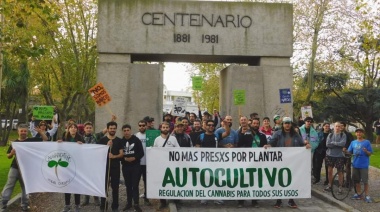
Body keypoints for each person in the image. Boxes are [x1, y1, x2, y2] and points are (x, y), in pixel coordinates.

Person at [263, 117, 310, 209]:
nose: (287, 125)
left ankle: (291, 200)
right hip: (280, 161)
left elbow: (301, 143)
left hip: (292, 162)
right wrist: (268, 145)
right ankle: (278, 200)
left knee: (291, 180)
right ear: (283, 124)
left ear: (291, 124)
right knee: (279, 180)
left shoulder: (295, 134)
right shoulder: (278, 133)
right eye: (285, 123)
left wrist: (306, 144)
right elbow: (272, 142)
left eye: (289, 123)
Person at [1, 124, 48, 211]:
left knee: (25, 187)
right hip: (15, 167)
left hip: (27, 168)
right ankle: (3, 203)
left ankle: (25, 205)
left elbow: (45, 140)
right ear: (18, 131)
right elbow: (8, 156)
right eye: (21, 131)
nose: (23, 132)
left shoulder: (31, 141)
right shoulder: (14, 143)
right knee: (9, 184)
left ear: (27, 132)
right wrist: (11, 153)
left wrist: (41, 132)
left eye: (25, 131)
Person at [237, 117, 267, 208]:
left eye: (257, 123)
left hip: (258, 162)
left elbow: (265, 146)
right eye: (254, 123)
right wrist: (242, 134)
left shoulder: (262, 135)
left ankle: (254, 201)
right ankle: (241, 201)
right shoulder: (246, 134)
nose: (256, 125)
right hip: (246, 162)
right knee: (244, 180)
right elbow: (239, 145)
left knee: (255, 181)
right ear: (251, 124)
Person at [194, 120, 223, 205]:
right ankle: (204, 197)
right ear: (205, 126)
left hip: (216, 162)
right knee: (204, 179)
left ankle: (217, 198)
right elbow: (197, 147)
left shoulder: (217, 136)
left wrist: (225, 124)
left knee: (216, 179)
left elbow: (227, 133)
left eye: (212, 125)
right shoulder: (201, 136)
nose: (211, 126)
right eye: (209, 125)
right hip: (204, 162)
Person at [97, 121, 123, 212]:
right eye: (111, 128)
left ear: (116, 129)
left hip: (115, 167)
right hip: (105, 167)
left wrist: (114, 156)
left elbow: (121, 154)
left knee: (115, 187)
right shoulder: (102, 140)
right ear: (107, 129)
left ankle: (115, 206)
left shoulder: (119, 140)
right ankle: (103, 205)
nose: (112, 130)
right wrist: (106, 147)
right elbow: (98, 154)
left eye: (114, 128)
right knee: (104, 188)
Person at [81, 121, 107, 207]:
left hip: (94, 163)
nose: (88, 129)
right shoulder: (80, 138)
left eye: (90, 128)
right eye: (87, 128)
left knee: (94, 180)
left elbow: (105, 131)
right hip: (84, 163)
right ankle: (86, 199)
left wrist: (112, 120)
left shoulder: (96, 136)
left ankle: (96, 198)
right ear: (84, 129)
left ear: (92, 129)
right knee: (85, 181)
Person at [153, 122, 179, 209]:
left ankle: (174, 198)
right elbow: (154, 152)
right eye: (163, 127)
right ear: (161, 128)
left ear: (169, 128)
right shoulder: (157, 139)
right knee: (162, 182)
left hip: (171, 164)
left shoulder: (173, 139)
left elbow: (178, 150)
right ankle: (162, 201)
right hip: (161, 165)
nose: (165, 129)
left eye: (167, 127)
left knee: (172, 181)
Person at [59, 123, 84, 212]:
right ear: (68, 129)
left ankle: (77, 205)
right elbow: (60, 150)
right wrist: (59, 144)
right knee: (67, 185)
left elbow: (85, 150)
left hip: (77, 165)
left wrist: (82, 145)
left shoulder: (80, 138)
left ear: (77, 129)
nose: (73, 129)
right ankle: (67, 205)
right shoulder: (64, 138)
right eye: (71, 127)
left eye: (75, 127)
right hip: (67, 165)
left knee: (76, 185)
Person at [120, 124, 144, 212]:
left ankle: (136, 204)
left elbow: (141, 153)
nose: (126, 132)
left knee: (135, 185)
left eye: (128, 130)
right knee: (128, 185)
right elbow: (119, 154)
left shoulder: (136, 140)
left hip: (135, 166)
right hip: (126, 166)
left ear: (130, 130)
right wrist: (124, 158)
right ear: (122, 132)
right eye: (124, 130)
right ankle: (129, 203)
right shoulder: (121, 141)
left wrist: (134, 158)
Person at [347, 128, 373, 202]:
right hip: (355, 164)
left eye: (360, 132)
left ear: (363, 134)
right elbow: (349, 152)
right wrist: (345, 151)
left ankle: (367, 195)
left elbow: (370, 153)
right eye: (357, 132)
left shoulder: (367, 142)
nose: (359, 134)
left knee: (365, 181)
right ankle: (358, 194)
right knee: (356, 181)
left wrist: (366, 151)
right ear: (355, 134)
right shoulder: (353, 142)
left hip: (364, 165)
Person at [324, 122, 346, 193]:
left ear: (341, 127)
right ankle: (330, 185)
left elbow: (342, 144)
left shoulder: (343, 135)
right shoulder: (330, 135)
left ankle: (340, 187)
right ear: (334, 127)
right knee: (329, 171)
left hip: (339, 156)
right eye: (336, 126)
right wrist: (337, 144)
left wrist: (333, 143)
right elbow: (327, 144)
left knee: (340, 172)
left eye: (339, 126)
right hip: (330, 155)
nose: (337, 128)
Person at [134, 120, 151, 206]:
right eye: (140, 125)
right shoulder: (135, 136)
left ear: (146, 126)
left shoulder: (150, 135)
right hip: (138, 163)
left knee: (147, 182)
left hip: (148, 163)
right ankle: (136, 200)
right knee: (136, 182)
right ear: (138, 126)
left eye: (143, 125)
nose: (141, 127)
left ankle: (146, 198)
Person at [341, 122, 354, 187]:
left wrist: (346, 148)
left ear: (345, 126)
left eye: (342, 126)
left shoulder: (348, 134)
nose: (340, 127)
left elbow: (352, 143)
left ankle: (348, 181)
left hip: (347, 153)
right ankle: (341, 181)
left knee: (347, 168)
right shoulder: (338, 134)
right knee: (340, 168)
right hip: (340, 153)